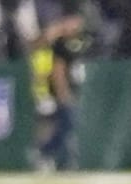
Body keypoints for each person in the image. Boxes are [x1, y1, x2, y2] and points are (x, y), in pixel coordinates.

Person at [29, 10, 87, 172]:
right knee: (64, 125)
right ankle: (44, 153)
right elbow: (58, 70)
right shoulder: (59, 44)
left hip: (66, 91)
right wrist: (63, 93)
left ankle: (61, 160)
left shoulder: (75, 41)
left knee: (66, 126)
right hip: (53, 93)